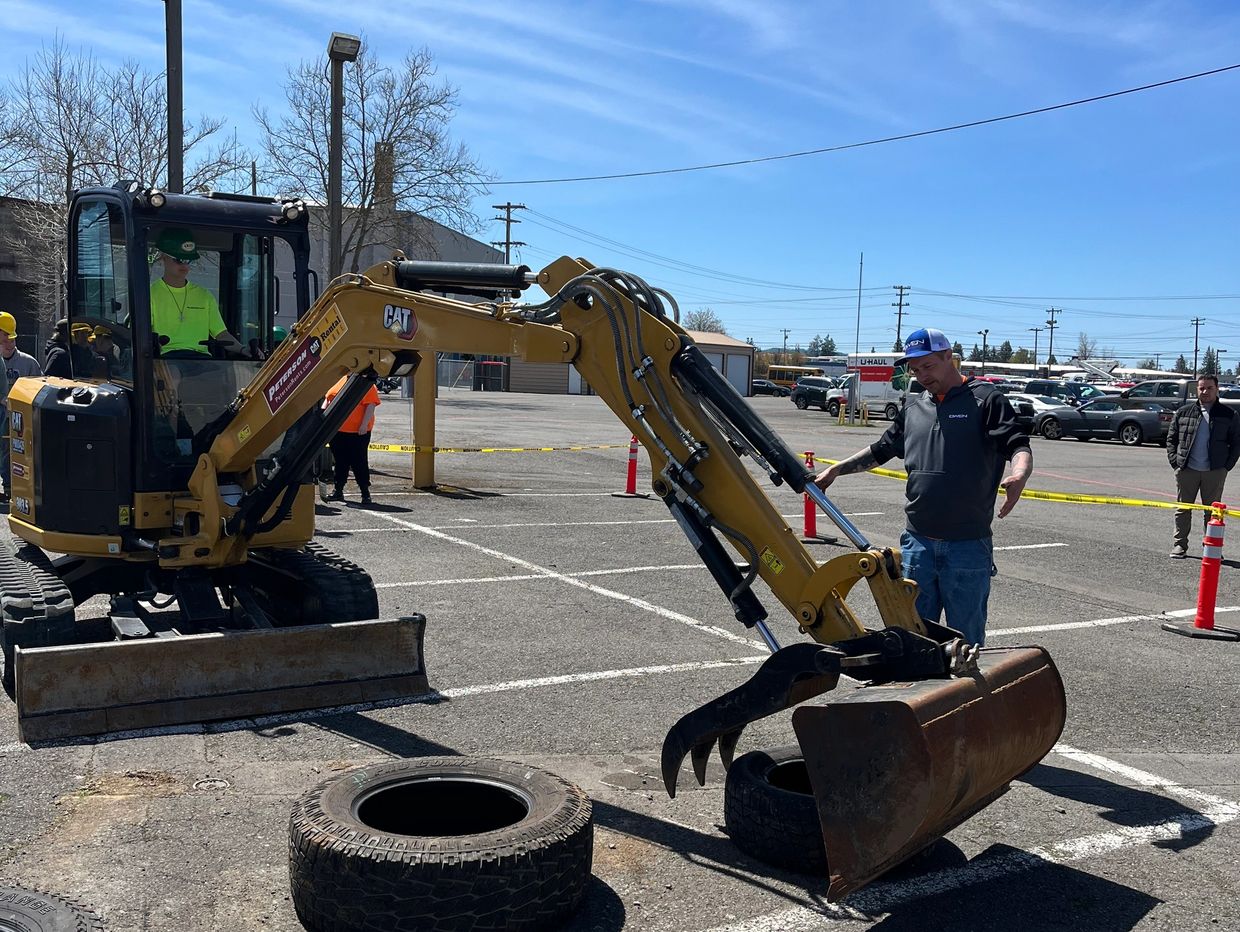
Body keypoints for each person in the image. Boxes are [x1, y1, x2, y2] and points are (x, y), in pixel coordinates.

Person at [813, 328, 1032, 647]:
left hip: (967, 546)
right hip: (918, 545)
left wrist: (1020, 474)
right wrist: (836, 470)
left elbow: (1017, 444)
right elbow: (881, 450)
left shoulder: (985, 400)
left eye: (928, 366)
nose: (922, 376)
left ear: (949, 358)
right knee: (916, 638)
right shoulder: (914, 408)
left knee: (967, 641)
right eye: (915, 369)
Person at [1166, 374, 1240, 558]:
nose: (1205, 391)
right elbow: (1171, 439)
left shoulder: (1229, 415)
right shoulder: (1183, 412)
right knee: (1183, 509)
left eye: (1209, 388)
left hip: (1214, 471)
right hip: (1187, 471)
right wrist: (1176, 462)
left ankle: (1211, 547)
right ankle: (1180, 545)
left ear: (1217, 389)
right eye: (1201, 388)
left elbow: (1236, 442)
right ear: (1197, 390)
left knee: (1213, 513)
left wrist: (1226, 467)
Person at [149, 228, 242, 357]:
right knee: (174, 376)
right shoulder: (149, 295)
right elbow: (140, 335)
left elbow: (221, 334)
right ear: (163, 257)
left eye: (188, 260)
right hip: (166, 358)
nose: (185, 265)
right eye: (179, 260)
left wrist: (243, 350)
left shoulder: (205, 296)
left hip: (201, 360)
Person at [323, 376, 381, 505]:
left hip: (358, 432)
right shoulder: (339, 380)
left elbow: (370, 405)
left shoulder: (366, 383)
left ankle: (365, 493)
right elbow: (328, 400)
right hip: (338, 430)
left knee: (359, 461)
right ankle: (338, 490)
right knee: (340, 462)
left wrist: (364, 425)